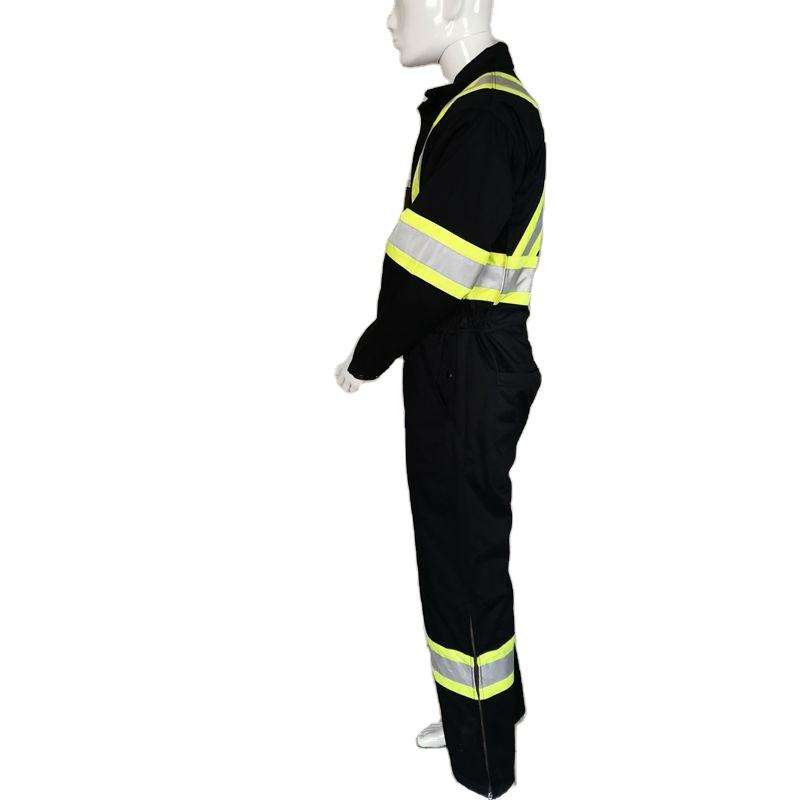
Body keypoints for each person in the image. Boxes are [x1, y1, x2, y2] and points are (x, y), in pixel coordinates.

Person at [335, 2, 546, 796]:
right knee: (470, 543)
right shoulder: (478, 106)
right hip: (462, 359)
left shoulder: (485, 116)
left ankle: (483, 759)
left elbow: (432, 274)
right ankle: (488, 710)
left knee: (460, 557)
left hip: (462, 360)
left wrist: (369, 354)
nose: (391, 18)